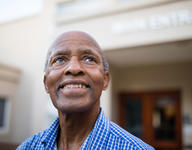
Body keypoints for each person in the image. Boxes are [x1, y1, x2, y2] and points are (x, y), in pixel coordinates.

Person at [17, 31, 154, 150]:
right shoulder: (27, 147)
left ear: (105, 79)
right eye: (59, 59)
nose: (74, 68)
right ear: (46, 83)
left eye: (89, 59)